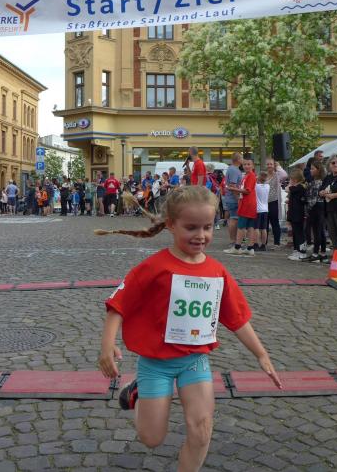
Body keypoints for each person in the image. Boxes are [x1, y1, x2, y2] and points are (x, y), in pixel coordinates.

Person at [96, 185, 281, 472]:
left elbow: (237, 318)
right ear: (171, 224)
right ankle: (136, 391)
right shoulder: (154, 267)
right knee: (152, 438)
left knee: (202, 429)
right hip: (156, 364)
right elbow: (118, 304)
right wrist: (107, 345)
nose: (201, 235)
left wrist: (261, 354)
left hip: (194, 361)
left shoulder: (217, 272)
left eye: (207, 227)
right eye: (191, 227)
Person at [224, 158, 257, 256]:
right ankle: (250, 248)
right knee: (250, 226)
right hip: (249, 203)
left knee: (241, 226)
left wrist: (233, 189)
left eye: (249, 164)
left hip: (247, 204)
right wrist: (236, 189)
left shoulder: (250, 176)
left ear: (253, 166)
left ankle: (237, 247)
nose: (246, 166)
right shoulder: (247, 175)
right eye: (245, 164)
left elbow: (247, 191)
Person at [304, 159, 328, 262]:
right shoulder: (316, 181)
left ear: (318, 170)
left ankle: (315, 253)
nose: (310, 170)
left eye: (312, 168)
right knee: (320, 230)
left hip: (316, 207)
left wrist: (308, 209)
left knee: (317, 230)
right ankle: (322, 253)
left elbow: (312, 199)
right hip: (319, 207)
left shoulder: (317, 182)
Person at [221, 153, 243, 248]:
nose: (243, 160)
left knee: (233, 219)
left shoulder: (232, 169)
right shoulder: (234, 170)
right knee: (234, 219)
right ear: (238, 159)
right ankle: (233, 241)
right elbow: (233, 186)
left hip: (230, 198)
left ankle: (234, 240)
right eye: (242, 158)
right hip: (233, 199)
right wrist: (238, 199)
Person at [286, 169, 307, 261]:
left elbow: (288, 189)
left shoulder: (300, 187)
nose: (290, 180)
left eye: (291, 178)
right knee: (295, 232)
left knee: (299, 233)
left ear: (295, 179)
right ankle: (296, 250)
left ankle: (302, 252)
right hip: (293, 213)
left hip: (298, 214)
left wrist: (290, 184)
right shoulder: (296, 187)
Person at [265, 158, 285, 248]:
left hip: (274, 201)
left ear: (274, 165)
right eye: (268, 164)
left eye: (271, 164)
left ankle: (277, 243)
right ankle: (264, 242)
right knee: (264, 223)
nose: (269, 166)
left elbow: (285, 175)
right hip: (264, 203)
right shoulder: (263, 175)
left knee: (275, 223)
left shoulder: (277, 175)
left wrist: (278, 166)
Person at [254, 172, 269, 251]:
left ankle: (256, 244)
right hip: (265, 209)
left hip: (257, 209)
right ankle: (263, 245)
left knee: (256, 228)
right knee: (264, 228)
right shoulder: (268, 186)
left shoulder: (256, 186)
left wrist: (256, 178)